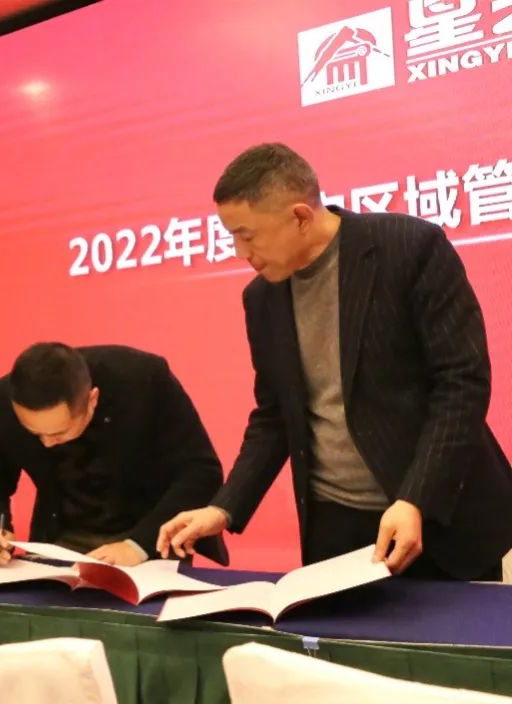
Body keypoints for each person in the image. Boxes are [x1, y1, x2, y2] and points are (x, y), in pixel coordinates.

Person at [158, 143, 512, 580]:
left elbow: (461, 382)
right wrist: (223, 508)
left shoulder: (409, 247)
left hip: (436, 514)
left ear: (300, 217)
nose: (239, 251)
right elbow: (274, 416)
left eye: (246, 235)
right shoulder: (262, 298)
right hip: (336, 527)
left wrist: (416, 499)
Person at [0, 343, 228, 567]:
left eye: (59, 433)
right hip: (61, 540)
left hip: (151, 533)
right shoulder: (1, 401)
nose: (47, 443)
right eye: (34, 433)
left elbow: (201, 472)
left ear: (92, 399)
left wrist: (137, 546)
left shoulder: (143, 380)